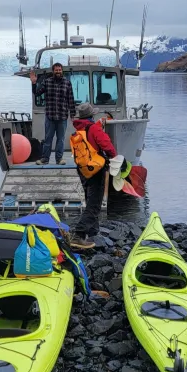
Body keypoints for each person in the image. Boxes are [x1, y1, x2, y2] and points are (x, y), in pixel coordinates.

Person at [70, 102, 116, 249]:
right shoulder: (93, 128)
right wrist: (114, 157)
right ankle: (79, 235)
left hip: (83, 169)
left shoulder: (78, 130)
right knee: (95, 204)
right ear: (91, 115)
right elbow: (106, 145)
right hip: (96, 169)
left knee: (90, 199)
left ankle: (93, 232)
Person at [30, 62, 75, 165]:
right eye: (56, 70)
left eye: (60, 70)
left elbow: (71, 99)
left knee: (61, 139)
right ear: (53, 71)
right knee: (48, 139)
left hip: (62, 117)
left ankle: (59, 159)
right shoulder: (47, 82)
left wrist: (72, 114)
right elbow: (37, 93)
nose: (58, 71)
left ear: (62, 71)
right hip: (50, 117)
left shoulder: (67, 83)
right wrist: (34, 83)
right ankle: (45, 159)